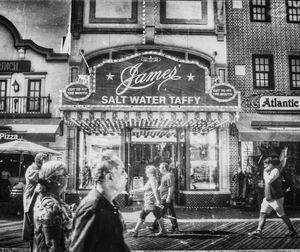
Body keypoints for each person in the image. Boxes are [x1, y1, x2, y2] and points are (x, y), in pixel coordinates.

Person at [70, 150, 130, 252]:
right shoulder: (93, 209)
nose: (126, 176)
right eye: (122, 171)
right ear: (109, 176)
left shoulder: (108, 204)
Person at [248, 157, 297, 238]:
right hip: (268, 197)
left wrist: (265, 172)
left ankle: (292, 231)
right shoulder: (268, 171)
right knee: (263, 213)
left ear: (271, 164)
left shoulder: (276, 171)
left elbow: (269, 180)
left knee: (282, 215)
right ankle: (258, 231)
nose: (264, 167)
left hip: (276, 198)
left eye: (266, 164)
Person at [33, 160, 73, 252]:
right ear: (55, 180)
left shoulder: (48, 198)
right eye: (65, 175)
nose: (67, 178)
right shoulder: (51, 206)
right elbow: (52, 245)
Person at [129, 165, 166, 237]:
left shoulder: (152, 179)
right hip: (151, 202)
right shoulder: (152, 179)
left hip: (151, 202)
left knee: (143, 215)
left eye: (147, 172)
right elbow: (144, 189)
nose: (146, 173)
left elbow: (155, 190)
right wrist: (134, 191)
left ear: (151, 173)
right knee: (157, 216)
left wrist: (158, 200)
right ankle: (163, 231)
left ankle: (136, 231)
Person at [22, 153, 47, 243]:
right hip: (31, 193)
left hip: (37, 193)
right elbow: (39, 178)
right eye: (43, 160)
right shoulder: (32, 168)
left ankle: (35, 234)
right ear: (38, 160)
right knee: (29, 213)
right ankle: (30, 236)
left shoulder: (39, 169)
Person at [151, 162, 179, 233]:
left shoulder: (170, 175)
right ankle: (175, 227)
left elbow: (171, 187)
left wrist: (168, 197)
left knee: (159, 211)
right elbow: (162, 186)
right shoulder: (164, 176)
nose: (159, 169)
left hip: (165, 197)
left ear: (164, 168)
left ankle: (155, 226)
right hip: (164, 196)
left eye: (160, 167)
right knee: (171, 213)